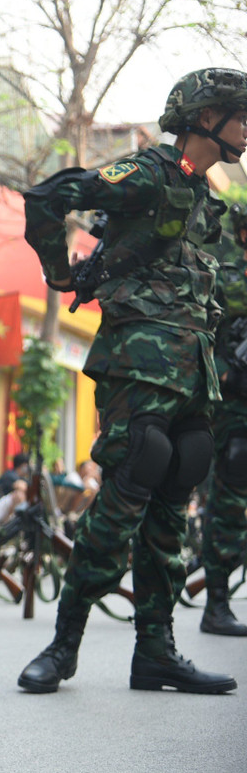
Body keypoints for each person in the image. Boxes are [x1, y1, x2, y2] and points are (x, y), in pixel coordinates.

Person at [16, 67, 246, 695]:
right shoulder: (147, 174)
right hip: (138, 360)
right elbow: (48, 196)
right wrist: (61, 273)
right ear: (206, 118)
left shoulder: (207, 198)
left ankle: (156, 651)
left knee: (178, 489)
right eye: (241, 115)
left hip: (194, 368)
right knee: (129, 487)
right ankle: (63, 648)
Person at [200, 202, 247, 636]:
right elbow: (202, 326)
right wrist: (224, 369)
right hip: (235, 407)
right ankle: (217, 603)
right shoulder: (224, 270)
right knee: (229, 502)